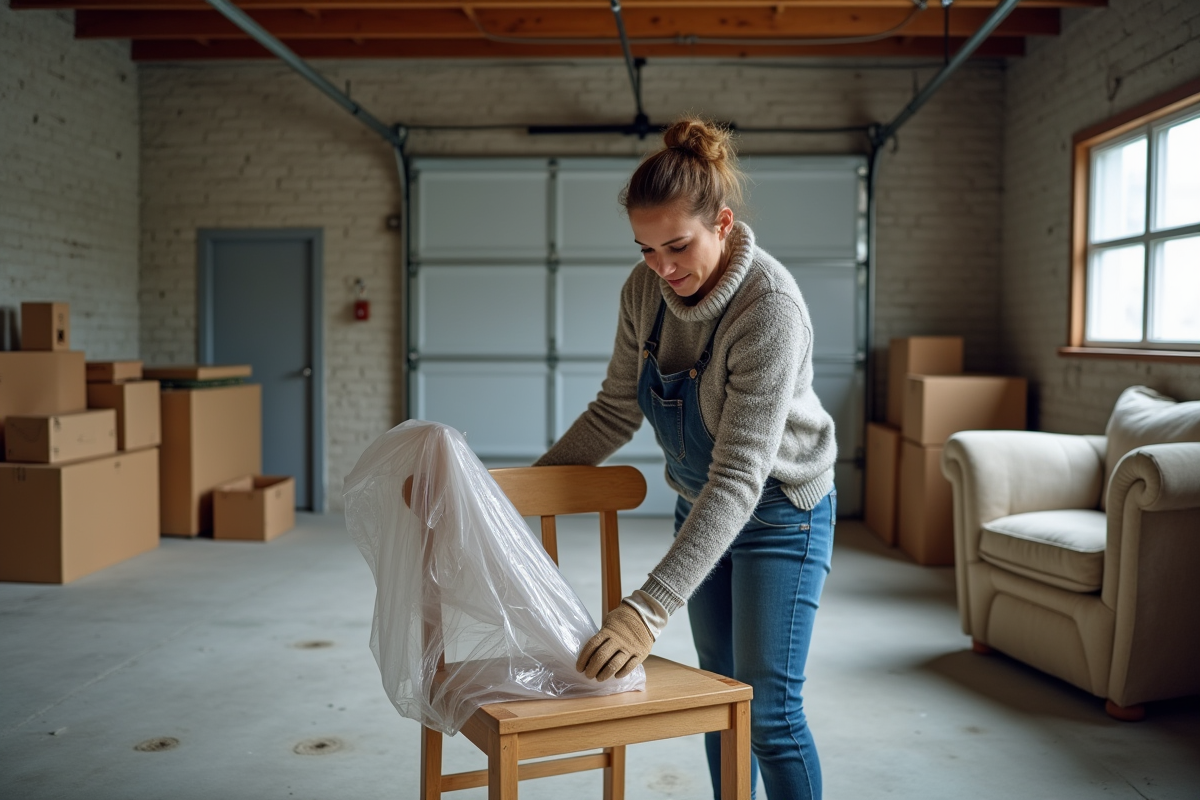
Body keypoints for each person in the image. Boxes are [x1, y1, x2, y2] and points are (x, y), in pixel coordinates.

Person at [535, 116, 838, 800]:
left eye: (677, 245)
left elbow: (739, 475)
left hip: (778, 511)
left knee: (770, 712)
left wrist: (647, 608)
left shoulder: (770, 309)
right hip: (700, 507)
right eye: (645, 249)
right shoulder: (644, 293)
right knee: (718, 695)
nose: (663, 268)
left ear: (722, 224)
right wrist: (509, 488)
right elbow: (614, 408)